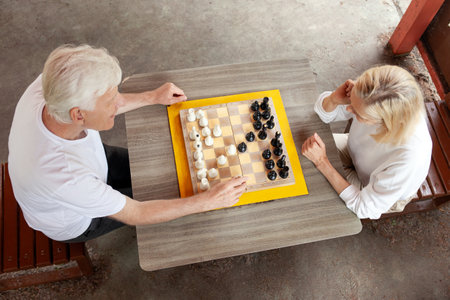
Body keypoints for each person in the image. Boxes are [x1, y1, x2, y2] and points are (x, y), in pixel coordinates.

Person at [8, 44, 247, 242]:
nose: (117, 103)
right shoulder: (64, 178)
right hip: (75, 220)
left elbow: (104, 101)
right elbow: (137, 212)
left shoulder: (51, 87)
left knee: (170, 176)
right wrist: (208, 202)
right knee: (171, 193)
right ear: (78, 115)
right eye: (110, 101)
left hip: (91, 164)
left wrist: (153, 96)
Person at [301, 65, 432, 219]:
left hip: (370, 190)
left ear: (385, 121)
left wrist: (322, 162)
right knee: (299, 152)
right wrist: (334, 99)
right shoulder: (373, 94)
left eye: (357, 112)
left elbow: (364, 208)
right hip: (355, 153)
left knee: (313, 195)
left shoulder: (410, 158)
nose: (349, 109)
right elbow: (325, 115)